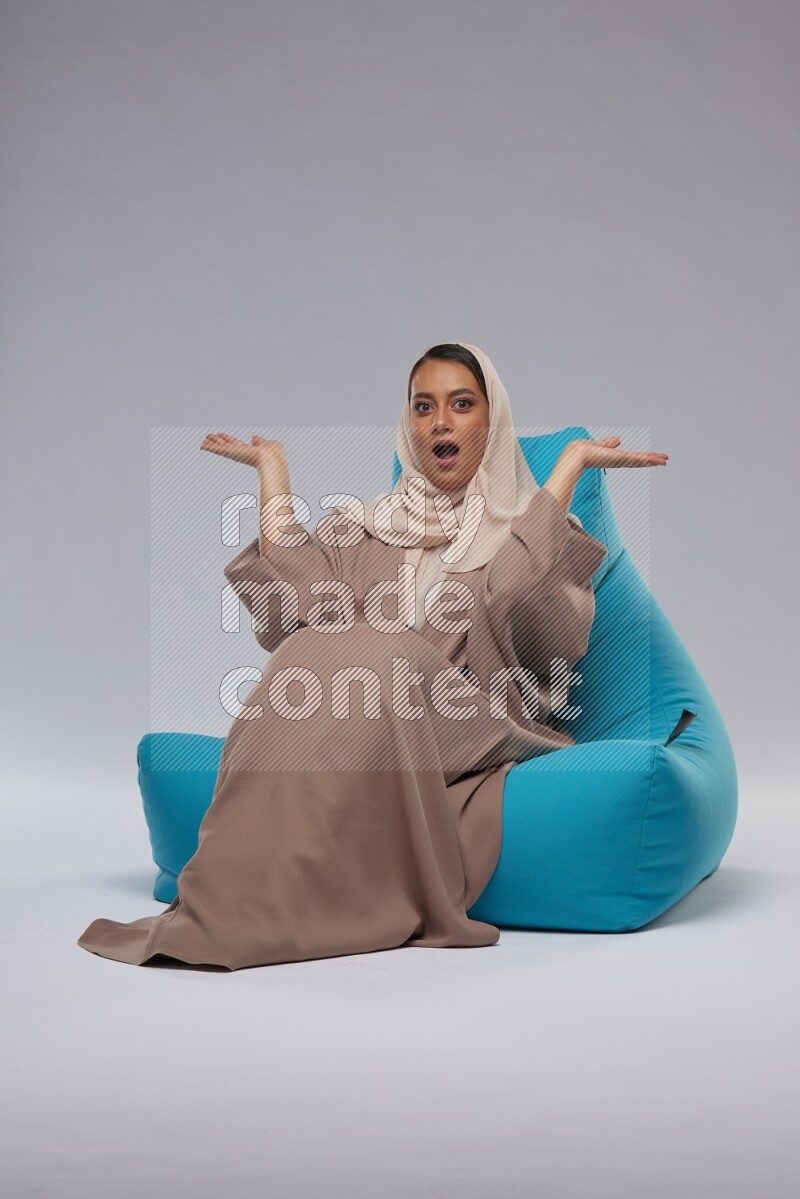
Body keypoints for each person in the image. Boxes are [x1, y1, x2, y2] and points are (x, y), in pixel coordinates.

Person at [77, 342, 668, 970]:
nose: (439, 422)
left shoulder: (538, 528)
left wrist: (568, 470)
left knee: (382, 652)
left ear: (492, 421)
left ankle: (270, 906)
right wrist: (274, 475)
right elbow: (295, 611)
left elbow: (521, 600)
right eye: (423, 407)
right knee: (315, 647)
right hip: (371, 718)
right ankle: (237, 902)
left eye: (461, 404)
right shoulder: (367, 525)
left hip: (478, 722)